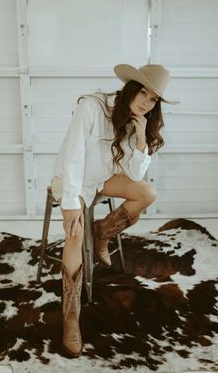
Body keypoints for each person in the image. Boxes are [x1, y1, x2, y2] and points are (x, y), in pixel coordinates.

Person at [51, 63, 180, 357]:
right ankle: (71, 315)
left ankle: (101, 233)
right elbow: (72, 155)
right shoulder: (92, 107)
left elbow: (134, 176)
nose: (146, 102)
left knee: (147, 193)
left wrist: (141, 138)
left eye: (153, 99)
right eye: (143, 93)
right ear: (132, 87)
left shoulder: (137, 120)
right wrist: (71, 203)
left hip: (99, 179)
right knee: (73, 234)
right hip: (71, 178)